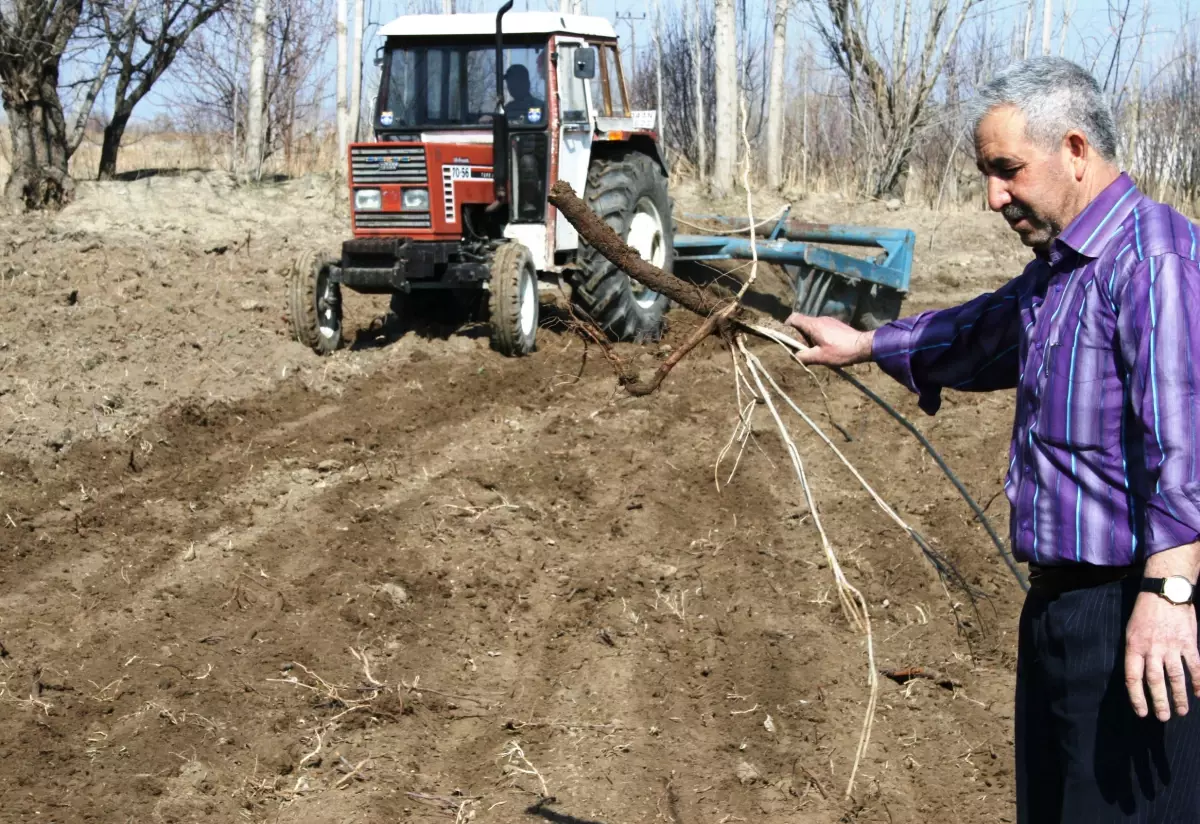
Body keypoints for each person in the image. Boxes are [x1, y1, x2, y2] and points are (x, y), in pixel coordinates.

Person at [787, 57, 1200, 822]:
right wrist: (865, 345)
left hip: (1134, 612)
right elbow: (976, 332)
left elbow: (1185, 436)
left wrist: (1170, 593)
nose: (992, 197)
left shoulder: (1153, 256)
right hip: (1060, 612)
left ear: (1074, 150)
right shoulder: (1059, 271)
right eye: (986, 173)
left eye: (1007, 170)